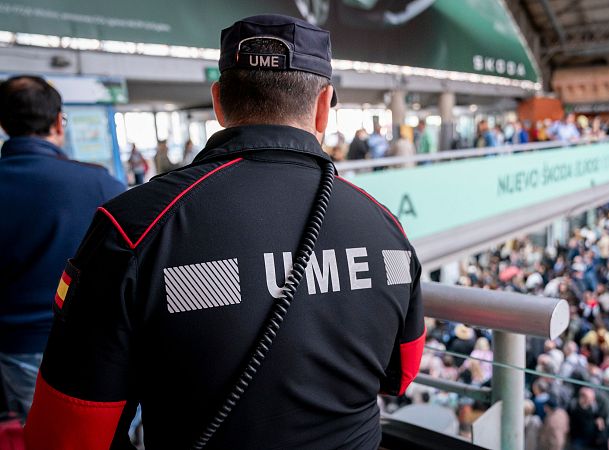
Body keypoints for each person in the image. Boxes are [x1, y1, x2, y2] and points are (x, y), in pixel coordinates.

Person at [25, 15, 425, 450]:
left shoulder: (132, 226)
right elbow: (401, 374)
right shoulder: (385, 226)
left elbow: (65, 433)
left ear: (218, 101)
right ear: (324, 105)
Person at [0, 75, 125, 418]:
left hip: (16, 347)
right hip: (92, 345)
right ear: (58, 121)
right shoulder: (100, 184)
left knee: (35, 430)